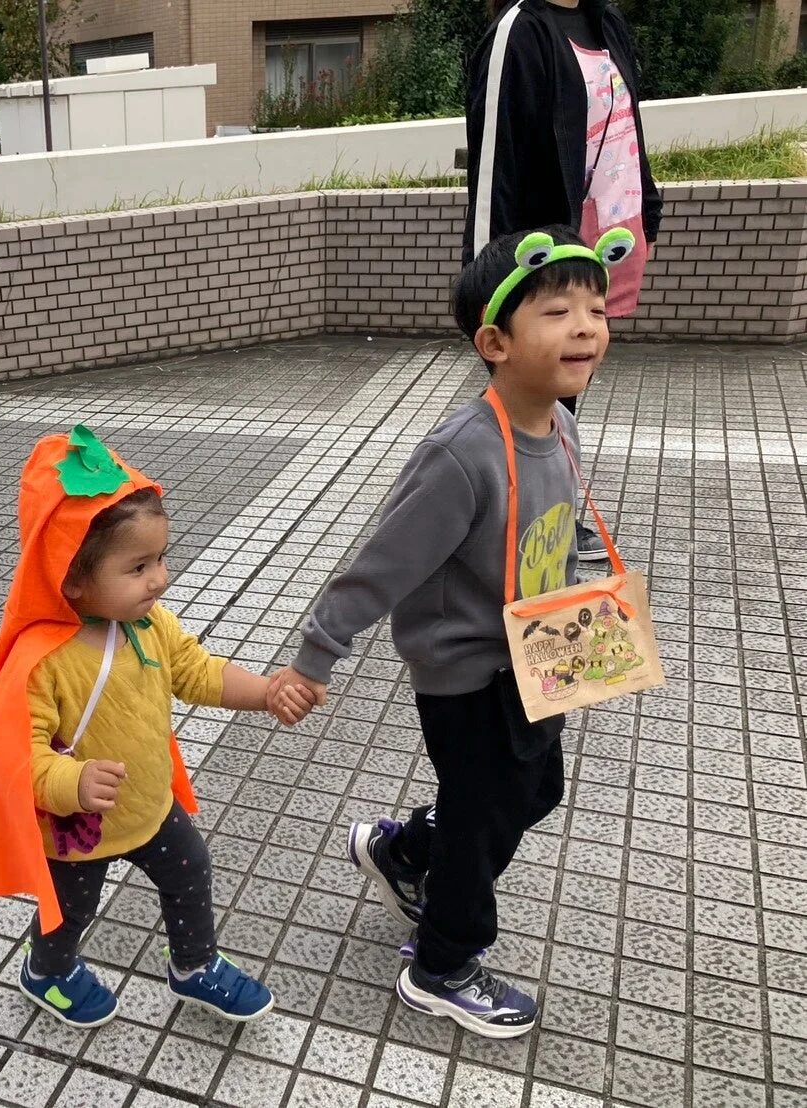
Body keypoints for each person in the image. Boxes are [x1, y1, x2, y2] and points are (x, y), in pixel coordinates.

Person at [269, 225, 636, 1038]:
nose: (585, 325)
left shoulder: (561, 425)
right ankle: (441, 964)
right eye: (557, 310)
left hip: (541, 656)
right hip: (469, 675)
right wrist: (314, 654)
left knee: (533, 791)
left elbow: (567, 524)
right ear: (494, 342)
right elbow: (380, 565)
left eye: (595, 306)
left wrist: (590, 594)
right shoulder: (459, 455)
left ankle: (402, 854)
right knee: (480, 822)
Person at [0, 426, 310, 1028]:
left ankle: (194, 965)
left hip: (149, 804)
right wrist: (71, 784)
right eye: (137, 566)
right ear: (70, 576)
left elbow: (196, 671)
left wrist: (263, 692)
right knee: (70, 909)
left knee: (191, 873)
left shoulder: (151, 625)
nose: (158, 578)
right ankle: (46, 971)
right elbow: (18, 754)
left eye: (160, 558)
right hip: (82, 825)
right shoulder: (43, 661)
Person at [464, 0, 661, 562]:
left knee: (566, 390)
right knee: (529, 396)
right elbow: (493, 164)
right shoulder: (519, 30)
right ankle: (514, 520)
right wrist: (493, 282)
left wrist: (647, 211)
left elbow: (629, 127)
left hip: (605, 240)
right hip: (542, 258)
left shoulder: (608, 22)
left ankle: (551, 511)